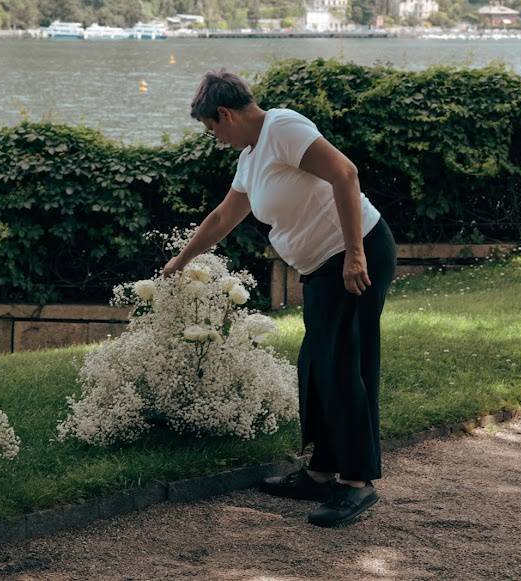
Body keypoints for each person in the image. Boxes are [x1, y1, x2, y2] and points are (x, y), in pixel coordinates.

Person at [163, 69, 397, 527]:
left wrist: (354, 255)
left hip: (352, 256)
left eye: (212, 130)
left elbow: (345, 174)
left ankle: (357, 484)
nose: (216, 139)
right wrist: (181, 260)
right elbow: (224, 215)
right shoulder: (251, 157)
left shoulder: (283, 127)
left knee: (344, 364)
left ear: (225, 114)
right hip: (321, 268)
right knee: (317, 366)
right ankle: (321, 472)